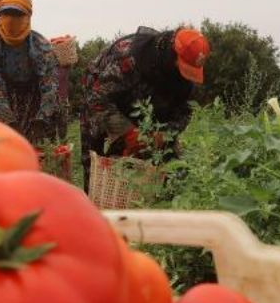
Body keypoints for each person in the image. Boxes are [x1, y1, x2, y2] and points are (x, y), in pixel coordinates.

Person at [79, 26, 210, 193]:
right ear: (173, 53)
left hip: (146, 112)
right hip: (105, 103)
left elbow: (184, 112)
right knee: (100, 169)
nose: (186, 75)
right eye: (184, 66)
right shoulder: (127, 58)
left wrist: (164, 134)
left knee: (175, 170)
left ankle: (161, 208)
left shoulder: (185, 79)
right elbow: (97, 100)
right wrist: (128, 133)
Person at [0, 0, 61, 145]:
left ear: (28, 18)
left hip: (36, 95)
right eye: (7, 14)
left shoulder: (42, 47)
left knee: (42, 146)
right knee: (6, 144)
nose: (11, 20)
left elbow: (49, 86)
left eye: (17, 14)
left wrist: (42, 118)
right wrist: (9, 121)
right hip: (6, 97)